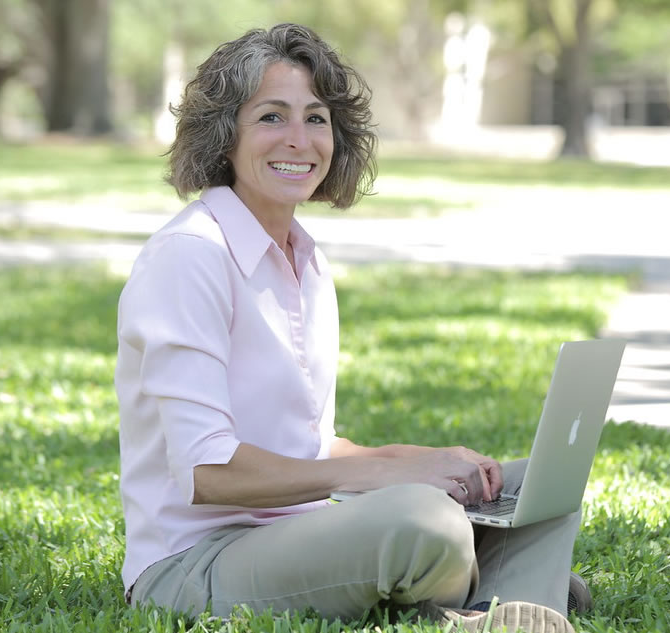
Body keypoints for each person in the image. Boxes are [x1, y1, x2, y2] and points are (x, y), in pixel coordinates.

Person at [115, 23, 588, 632]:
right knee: (425, 523)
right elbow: (209, 472)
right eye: (271, 117)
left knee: (526, 484)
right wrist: (388, 476)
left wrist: (423, 459)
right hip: (193, 566)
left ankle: (502, 605)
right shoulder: (189, 256)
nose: (299, 139)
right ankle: (498, 589)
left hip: (302, 532)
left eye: (316, 118)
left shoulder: (305, 260)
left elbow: (312, 448)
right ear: (224, 135)